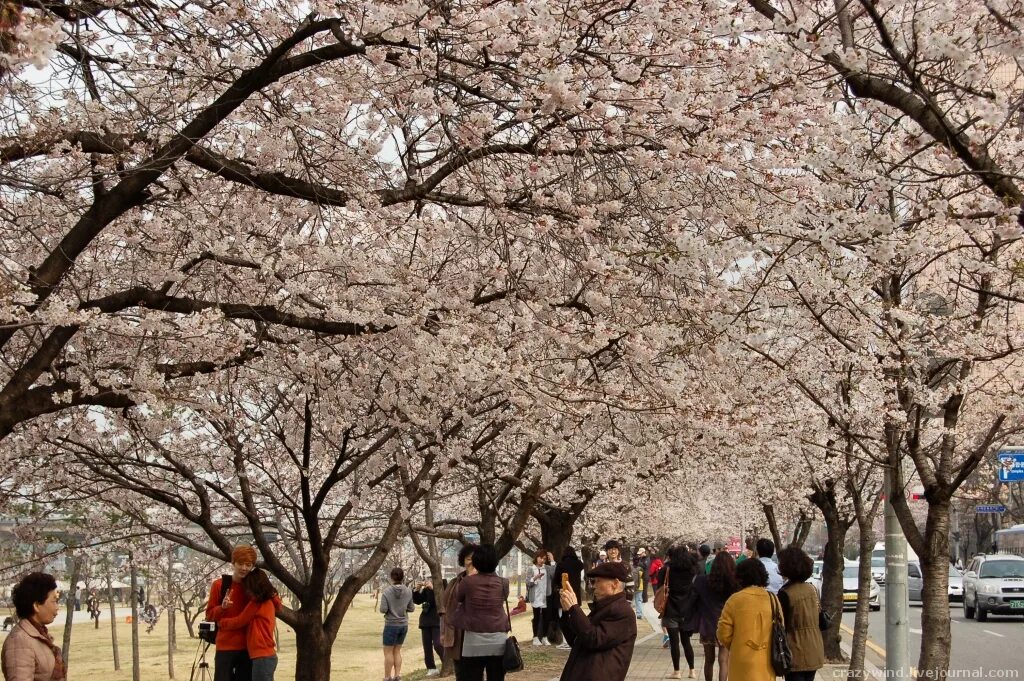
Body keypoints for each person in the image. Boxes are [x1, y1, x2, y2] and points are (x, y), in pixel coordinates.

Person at [557, 560, 637, 681]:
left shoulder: (622, 611)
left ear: (615, 583)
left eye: (598, 581)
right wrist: (567, 612)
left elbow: (594, 639)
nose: (594, 586)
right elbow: (576, 639)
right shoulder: (604, 607)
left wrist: (574, 608)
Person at [451, 544, 510, 681]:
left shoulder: (467, 582)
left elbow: (459, 598)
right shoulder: (503, 583)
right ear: (495, 562)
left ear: (476, 561)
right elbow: (503, 598)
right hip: (498, 639)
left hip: (473, 640)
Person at [717, 559, 776, 681]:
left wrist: (736, 645)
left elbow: (723, 633)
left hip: (741, 662)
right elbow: (780, 627)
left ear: (740, 577)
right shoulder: (773, 599)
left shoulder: (734, 600)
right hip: (767, 662)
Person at [206, 544, 257, 681]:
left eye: (248, 564)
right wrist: (222, 608)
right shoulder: (219, 585)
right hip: (225, 646)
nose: (244, 568)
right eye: (240, 563)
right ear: (233, 563)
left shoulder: (253, 587)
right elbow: (210, 615)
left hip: (247, 647)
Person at [218, 569, 280, 681]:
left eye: (248, 587)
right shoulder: (269, 601)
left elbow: (239, 621)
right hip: (267, 655)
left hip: (262, 656)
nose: (246, 591)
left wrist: (221, 623)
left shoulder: (257, 603)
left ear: (254, 587)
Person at [1, 572, 64, 681]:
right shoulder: (19, 641)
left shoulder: (39, 635)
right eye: (54, 601)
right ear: (36, 606)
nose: (57, 607)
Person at [776, 548, 825, 681]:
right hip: (814, 647)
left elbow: (781, 624)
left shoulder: (785, 593)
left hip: (795, 650)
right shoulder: (812, 589)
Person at [690, 551, 739, 681]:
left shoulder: (701, 581)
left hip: (707, 624)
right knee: (723, 660)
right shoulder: (735, 584)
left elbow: (693, 599)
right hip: (727, 624)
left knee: (708, 659)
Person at [658, 545, 698, 679]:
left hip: (671, 610)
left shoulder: (666, 570)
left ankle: (677, 671)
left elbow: (659, 587)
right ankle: (692, 671)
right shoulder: (692, 571)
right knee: (686, 642)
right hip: (686, 611)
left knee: (674, 643)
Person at [442, 544, 477, 671]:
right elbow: (446, 606)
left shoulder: (485, 580)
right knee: (461, 670)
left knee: (475, 671)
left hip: (476, 632)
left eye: (475, 558)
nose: (471, 561)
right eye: (468, 559)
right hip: (458, 632)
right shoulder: (455, 581)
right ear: (462, 561)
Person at [380, 567, 415, 681]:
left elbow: (383, 609)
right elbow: (411, 608)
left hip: (391, 624)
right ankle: (397, 675)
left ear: (391, 577)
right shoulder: (408, 591)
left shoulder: (386, 592)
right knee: (397, 651)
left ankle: (387, 677)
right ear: (403, 577)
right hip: (403, 625)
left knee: (388, 652)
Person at [553, 547, 584, 650]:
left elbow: (556, 579)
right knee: (575, 616)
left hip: (565, 594)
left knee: (565, 617)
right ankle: (576, 638)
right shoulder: (579, 564)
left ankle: (566, 641)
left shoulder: (561, 565)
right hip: (576, 595)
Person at [412, 579, 444, 678]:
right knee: (427, 646)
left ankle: (448, 662)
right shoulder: (426, 588)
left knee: (438, 644)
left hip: (437, 619)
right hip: (425, 620)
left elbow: (443, 600)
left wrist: (433, 588)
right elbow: (418, 601)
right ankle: (431, 668)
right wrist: (416, 590)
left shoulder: (442, 583)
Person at [527, 549, 555, 646]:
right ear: (536, 558)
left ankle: (544, 637)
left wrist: (552, 560)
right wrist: (534, 578)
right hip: (535, 596)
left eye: (544, 558)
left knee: (546, 617)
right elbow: (528, 583)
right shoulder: (531, 568)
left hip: (545, 595)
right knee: (536, 617)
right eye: (540, 558)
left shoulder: (547, 568)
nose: (542, 560)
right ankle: (535, 637)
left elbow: (553, 574)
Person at [632, 548, 650, 620]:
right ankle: (637, 613)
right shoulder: (640, 561)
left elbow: (645, 566)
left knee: (639, 598)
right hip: (638, 582)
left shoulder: (646, 559)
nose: (639, 555)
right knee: (637, 598)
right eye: (638, 555)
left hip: (643, 580)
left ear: (644, 552)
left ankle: (639, 613)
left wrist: (637, 562)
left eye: (640, 554)